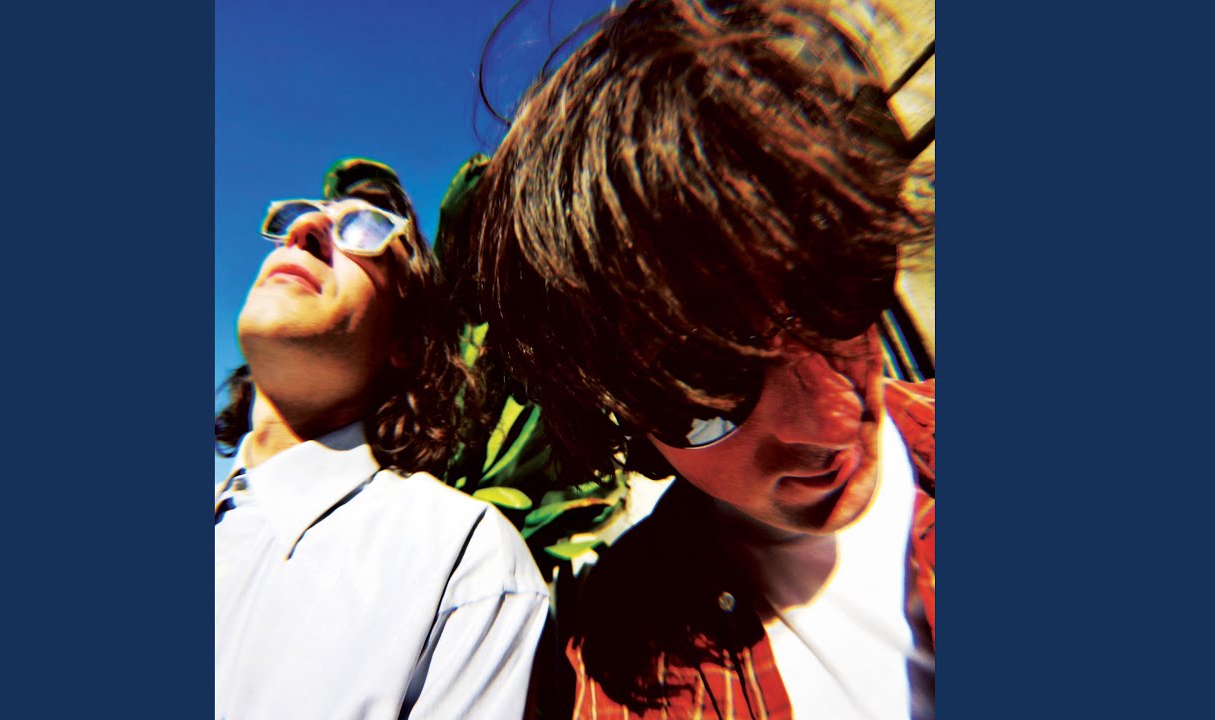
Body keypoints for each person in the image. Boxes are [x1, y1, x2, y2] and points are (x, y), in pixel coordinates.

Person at [459, 1, 935, 717]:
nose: (830, 420)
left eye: (836, 291)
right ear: (629, 424)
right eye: (706, 387)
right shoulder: (625, 660)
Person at [213, 158, 549, 719]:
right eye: (297, 216)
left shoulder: (464, 563)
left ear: (406, 340)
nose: (305, 230)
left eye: (364, 229)